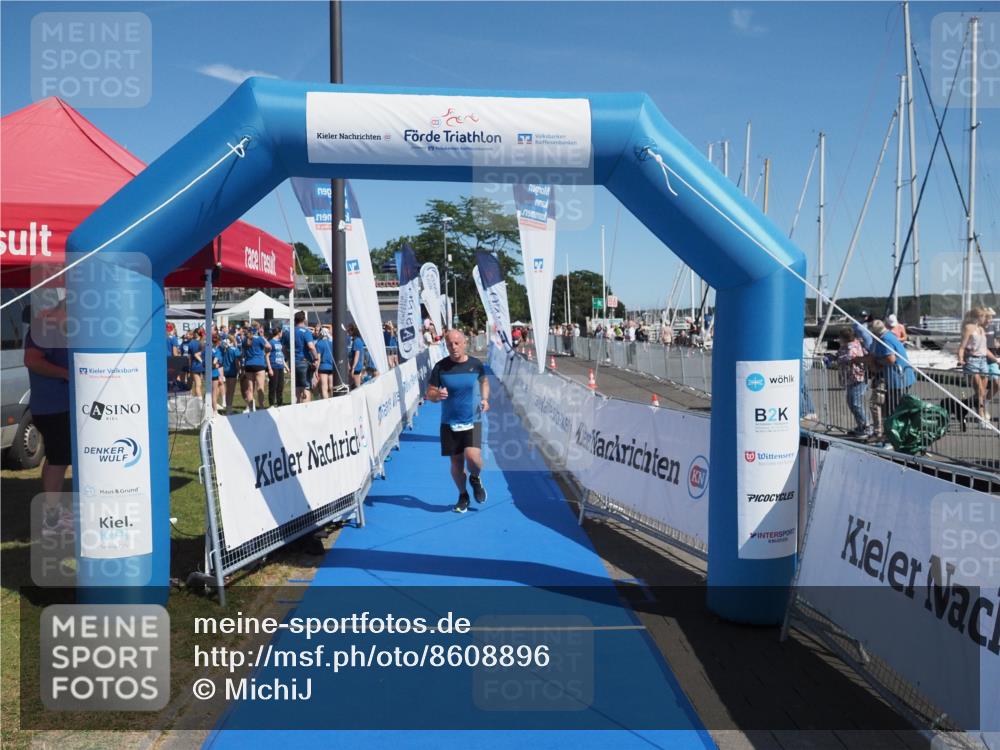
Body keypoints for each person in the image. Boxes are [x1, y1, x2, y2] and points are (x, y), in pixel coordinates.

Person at [425, 329, 490, 513]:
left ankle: (475, 478)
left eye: (456, 343)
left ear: (464, 343)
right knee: (456, 463)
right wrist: (437, 394)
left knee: (473, 459)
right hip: (449, 423)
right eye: (449, 344)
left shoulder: (476, 364)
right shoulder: (440, 367)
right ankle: (463, 495)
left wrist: (485, 399)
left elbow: (484, 382)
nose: (453, 347)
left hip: (473, 420)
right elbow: (429, 393)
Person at [23, 300, 73, 537]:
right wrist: (66, 373)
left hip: (60, 406)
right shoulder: (44, 328)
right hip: (53, 406)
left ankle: (53, 515)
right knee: (58, 458)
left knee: (57, 457)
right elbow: (32, 360)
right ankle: (51, 520)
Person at [868, 319, 916, 422]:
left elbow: (890, 359)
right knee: (892, 405)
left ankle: (893, 431)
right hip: (901, 376)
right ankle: (891, 429)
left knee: (892, 407)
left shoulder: (885, 339)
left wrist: (876, 362)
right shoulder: (890, 335)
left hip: (897, 378)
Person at [957, 306, 999, 422]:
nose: (985, 318)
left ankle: (962, 407)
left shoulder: (981, 329)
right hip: (972, 361)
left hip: (983, 361)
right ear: (977, 317)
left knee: (982, 391)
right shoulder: (968, 328)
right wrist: (960, 359)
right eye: (983, 316)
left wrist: (996, 359)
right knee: (980, 390)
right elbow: (962, 346)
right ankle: (981, 417)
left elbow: (984, 349)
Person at [836, 327, 871, 437]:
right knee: (852, 403)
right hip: (852, 379)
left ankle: (866, 427)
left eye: (840, 338)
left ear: (843, 338)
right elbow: (840, 356)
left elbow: (846, 358)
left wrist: (834, 358)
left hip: (858, 379)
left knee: (855, 403)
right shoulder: (848, 346)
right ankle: (861, 425)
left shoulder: (852, 347)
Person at [241, 323, 271, 410]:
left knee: (250, 389)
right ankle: (261, 407)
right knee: (260, 388)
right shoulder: (260, 339)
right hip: (259, 364)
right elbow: (269, 346)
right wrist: (263, 337)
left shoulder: (244, 340)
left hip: (248, 365)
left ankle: (251, 409)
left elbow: (242, 352)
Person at [293, 311, 318, 403]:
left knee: (297, 387)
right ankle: (306, 411)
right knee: (306, 387)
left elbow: (284, 348)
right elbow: (311, 346)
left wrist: (289, 358)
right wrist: (316, 358)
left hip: (294, 362)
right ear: (304, 320)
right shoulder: (306, 332)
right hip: (304, 361)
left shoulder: (289, 332)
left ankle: (296, 410)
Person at [220, 334, 242, 414]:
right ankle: (229, 408)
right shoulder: (234, 349)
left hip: (226, 371)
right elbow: (237, 361)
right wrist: (239, 370)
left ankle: (228, 408)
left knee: (227, 390)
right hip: (232, 371)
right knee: (231, 391)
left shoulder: (225, 349)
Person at [267, 327, 286, 407]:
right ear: (279, 333)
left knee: (280, 386)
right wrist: (269, 368)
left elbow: (281, 355)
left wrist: (286, 366)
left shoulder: (280, 342)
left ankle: (280, 403)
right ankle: (271, 404)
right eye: (281, 332)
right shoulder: (271, 342)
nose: (282, 334)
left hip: (280, 366)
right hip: (273, 366)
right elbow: (267, 356)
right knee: (273, 386)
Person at [315, 327, 334, 398]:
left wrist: (316, 370)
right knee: (331, 386)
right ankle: (333, 401)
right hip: (331, 367)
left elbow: (318, 358)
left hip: (323, 367)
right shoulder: (332, 343)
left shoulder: (319, 343)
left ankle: (326, 403)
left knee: (324, 387)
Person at [188, 328, 206, 398]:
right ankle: (205, 401)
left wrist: (190, 367)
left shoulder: (191, 343)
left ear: (195, 334)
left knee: (197, 385)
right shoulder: (205, 342)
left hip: (195, 365)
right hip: (204, 365)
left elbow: (189, 357)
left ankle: (200, 402)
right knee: (205, 385)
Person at [210, 333, 225, 413]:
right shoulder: (217, 351)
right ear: (218, 342)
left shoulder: (207, 349)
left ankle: (210, 408)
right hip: (214, 373)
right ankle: (214, 410)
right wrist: (214, 365)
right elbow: (215, 361)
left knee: (209, 391)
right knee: (214, 392)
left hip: (207, 373)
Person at [348, 324, 366, 389]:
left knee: (357, 385)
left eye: (349, 330)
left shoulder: (356, 341)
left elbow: (357, 355)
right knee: (354, 384)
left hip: (356, 367)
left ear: (352, 331)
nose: (348, 332)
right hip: (358, 365)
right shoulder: (358, 340)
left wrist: (353, 367)